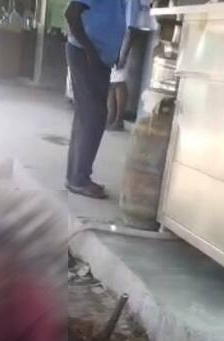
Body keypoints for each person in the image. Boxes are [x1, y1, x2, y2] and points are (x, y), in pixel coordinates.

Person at [65, 0, 127, 199]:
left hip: (99, 58)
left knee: (87, 116)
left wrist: (113, 52)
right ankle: (79, 179)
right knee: (93, 116)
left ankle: (76, 177)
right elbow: (71, 14)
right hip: (87, 56)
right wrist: (90, 49)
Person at [107, 0, 152, 131]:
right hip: (119, 34)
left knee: (118, 80)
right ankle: (111, 116)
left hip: (126, 35)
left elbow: (131, 26)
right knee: (111, 80)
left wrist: (124, 53)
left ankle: (118, 119)